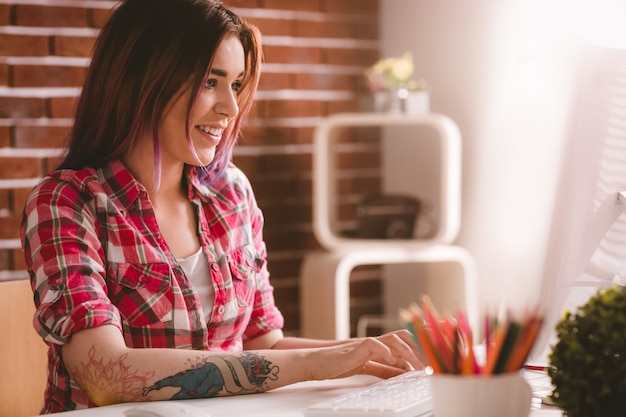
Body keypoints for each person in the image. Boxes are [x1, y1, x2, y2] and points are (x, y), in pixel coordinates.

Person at [20, 0, 422, 413]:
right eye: (211, 82)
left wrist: (378, 352)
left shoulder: (232, 194)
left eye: (236, 84)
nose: (230, 109)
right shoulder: (66, 203)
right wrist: (315, 364)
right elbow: (105, 372)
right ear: (144, 79)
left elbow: (264, 343)